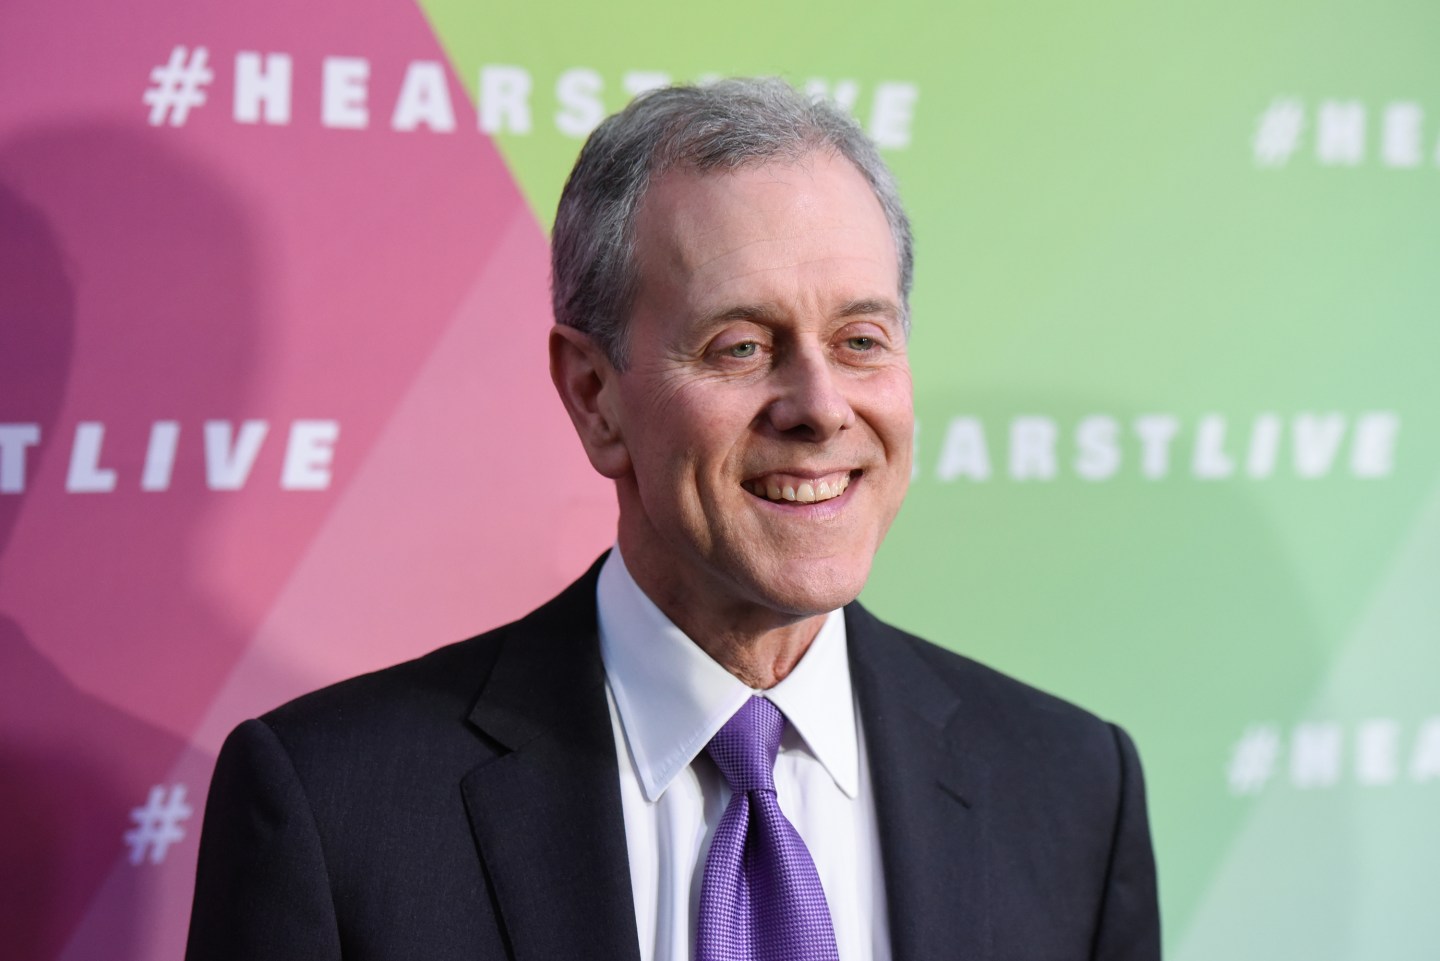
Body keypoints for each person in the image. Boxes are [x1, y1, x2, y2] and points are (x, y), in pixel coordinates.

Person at [186, 78, 1161, 961]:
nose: (820, 406)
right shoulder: (336, 808)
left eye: (861, 340)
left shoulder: (1073, 791)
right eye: (741, 347)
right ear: (595, 395)